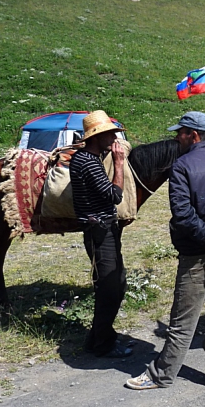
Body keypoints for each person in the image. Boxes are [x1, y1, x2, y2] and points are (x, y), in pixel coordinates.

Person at [127, 111, 205, 390]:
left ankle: (162, 375)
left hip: (197, 255)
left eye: (180, 132)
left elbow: (183, 214)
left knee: (182, 321)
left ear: (193, 135)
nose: (177, 137)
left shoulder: (182, 166)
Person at [69, 110, 132, 358]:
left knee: (117, 282)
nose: (114, 138)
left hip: (105, 229)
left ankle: (99, 337)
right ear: (96, 137)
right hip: (99, 231)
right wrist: (118, 163)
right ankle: (102, 344)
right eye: (110, 134)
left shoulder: (90, 159)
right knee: (108, 287)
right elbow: (115, 196)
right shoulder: (86, 162)